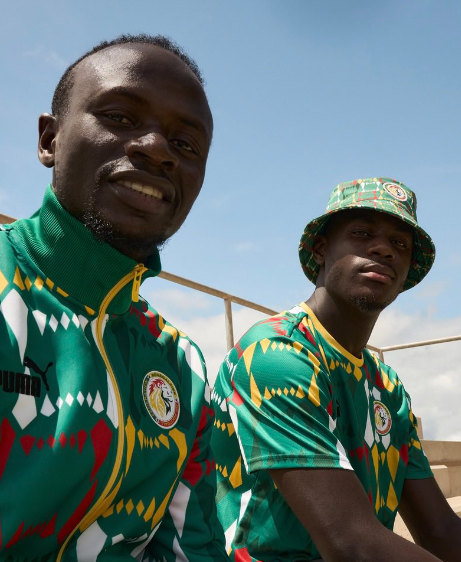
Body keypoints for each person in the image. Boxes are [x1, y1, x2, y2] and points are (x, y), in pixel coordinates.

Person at [0, 34, 227, 560]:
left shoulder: (181, 368)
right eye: (121, 117)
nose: (156, 149)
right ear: (49, 139)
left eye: (185, 144)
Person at [211, 177, 461, 562]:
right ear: (322, 248)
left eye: (400, 244)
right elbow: (352, 545)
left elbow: (439, 529)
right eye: (362, 234)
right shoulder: (276, 354)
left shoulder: (387, 386)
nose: (383, 249)